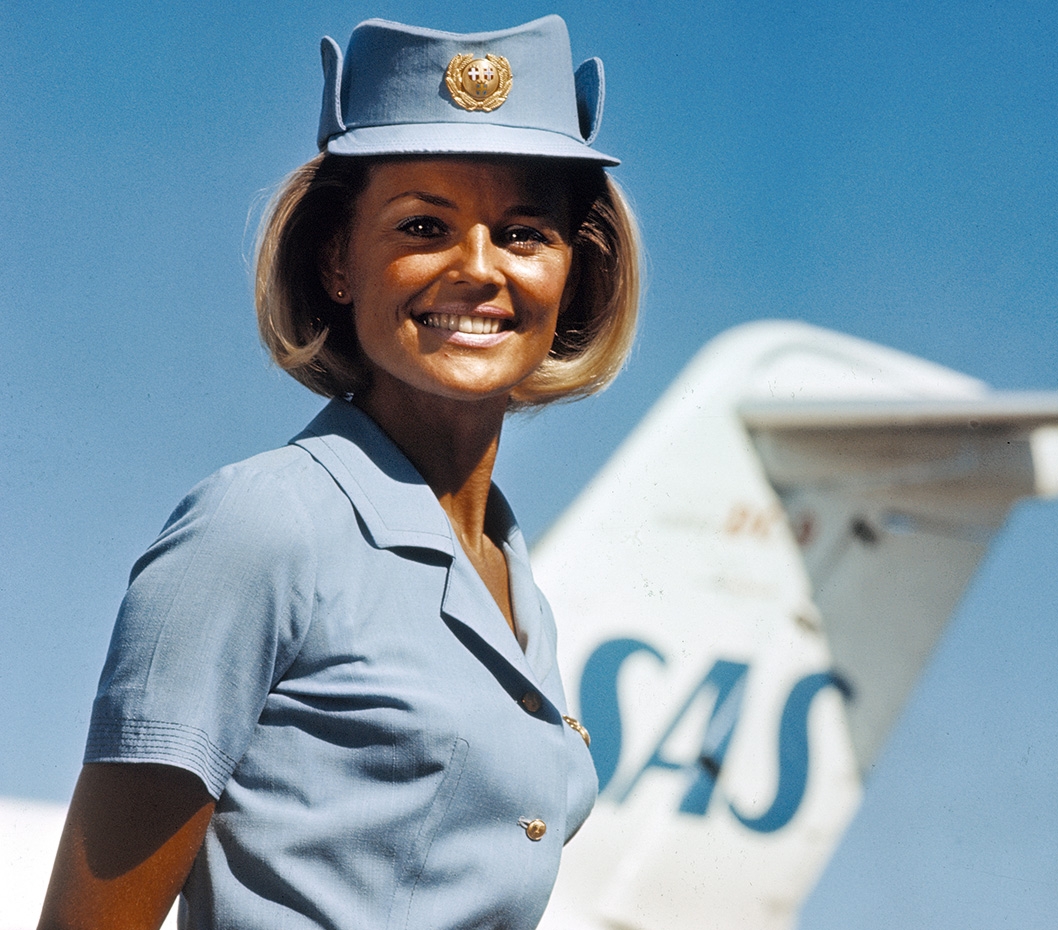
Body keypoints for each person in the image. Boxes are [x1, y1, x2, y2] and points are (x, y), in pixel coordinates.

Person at [38, 14, 638, 930]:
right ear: (337, 262)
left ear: (571, 272)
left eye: (524, 233)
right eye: (424, 226)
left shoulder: (516, 591)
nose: (480, 271)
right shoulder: (260, 526)